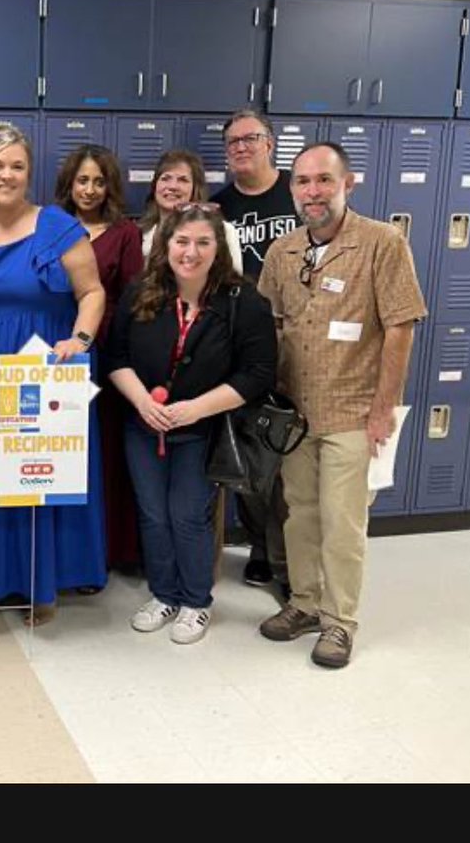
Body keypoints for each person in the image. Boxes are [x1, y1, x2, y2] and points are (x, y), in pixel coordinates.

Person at [257, 143, 426, 668]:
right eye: (303, 182)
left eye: (324, 181)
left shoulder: (382, 242)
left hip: (353, 411)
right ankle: (304, 603)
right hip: (296, 414)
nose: (313, 192)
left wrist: (384, 408)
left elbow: (401, 326)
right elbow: (274, 324)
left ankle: (339, 622)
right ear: (292, 189)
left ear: (347, 184)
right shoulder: (283, 251)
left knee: (343, 521)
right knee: (299, 515)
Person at [0, 124, 107, 626]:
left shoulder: (58, 226)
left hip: (47, 368)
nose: (6, 175)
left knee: (40, 475)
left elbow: (93, 293)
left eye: (16, 166)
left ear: (28, 173)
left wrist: (79, 342)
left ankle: (42, 586)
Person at [107, 203, 276, 644]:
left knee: (188, 516)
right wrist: (143, 402)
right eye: (182, 241)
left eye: (203, 242)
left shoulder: (244, 300)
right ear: (165, 245)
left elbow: (258, 372)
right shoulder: (140, 291)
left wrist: (198, 408)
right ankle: (163, 594)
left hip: (203, 429)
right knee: (152, 514)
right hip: (143, 424)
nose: (191, 252)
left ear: (218, 247)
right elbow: (116, 357)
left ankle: (196, 601)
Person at [211, 111, 298, 594]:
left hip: (300, 341)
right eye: (232, 142)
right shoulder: (219, 207)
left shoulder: (296, 192)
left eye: (251, 139)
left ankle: (290, 561)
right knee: (251, 452)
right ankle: (263, 549)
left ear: (270, 144)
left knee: (292, 460)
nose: (241, 147)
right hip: (243, 343)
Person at [54, 145, 144, 576]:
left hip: (104, 355)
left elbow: (131, 299)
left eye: (98, 181)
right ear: (69, 183)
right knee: (57, 455)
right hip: (55, 352)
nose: (89, 189)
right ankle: (62, 554)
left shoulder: (124, 233)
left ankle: (101, 555)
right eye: (82, 180)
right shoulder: (51, 227)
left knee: (100, 457)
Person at [137, 149, 242, 274]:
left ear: (195, 188)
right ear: (155, 186)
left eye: (183, 180)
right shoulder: (140, 233)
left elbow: (234, 283)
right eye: (165, 178)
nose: (172, 186)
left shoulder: (224, 231)